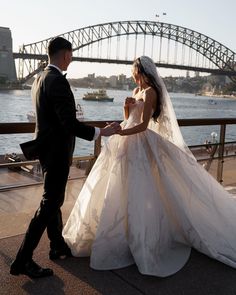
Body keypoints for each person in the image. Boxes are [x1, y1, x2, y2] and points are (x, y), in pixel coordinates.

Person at [63, 55, 236, 277]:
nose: (133, 77)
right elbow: (130, 118)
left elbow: (143, 125)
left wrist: (120, 131)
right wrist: (126, 109)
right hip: (127, 141)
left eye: (135, 73)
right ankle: (122, 234)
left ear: (143, 72)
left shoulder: (151, 92)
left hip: (139, 142)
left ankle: (141, 236)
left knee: (140, 187)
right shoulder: (136, 92)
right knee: (120, 187)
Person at [10, 37, 120, 279]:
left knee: (54, 200)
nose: (72, 58)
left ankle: (57, 245)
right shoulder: (58, 81)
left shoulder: (39, 79)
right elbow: (69, 123)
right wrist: (101, 131)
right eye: (71, 54)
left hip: (46, 150)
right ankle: (23, 260)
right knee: (49, 203)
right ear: (66, 54)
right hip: (57, 152)